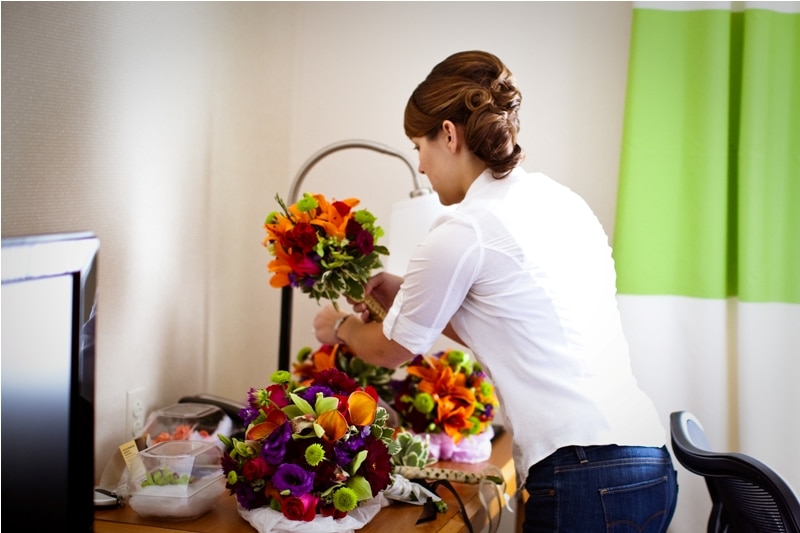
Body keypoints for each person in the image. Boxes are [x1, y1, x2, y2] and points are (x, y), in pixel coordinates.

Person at [313, 50, 678, 532]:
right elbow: (515, 325)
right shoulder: (560, 201)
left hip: (585, 474)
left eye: (418, 146)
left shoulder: (464, 229)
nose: (420, 166)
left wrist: (338, 326)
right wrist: (409, 296)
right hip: (647, 463)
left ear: (448, 134)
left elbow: (390, 350)